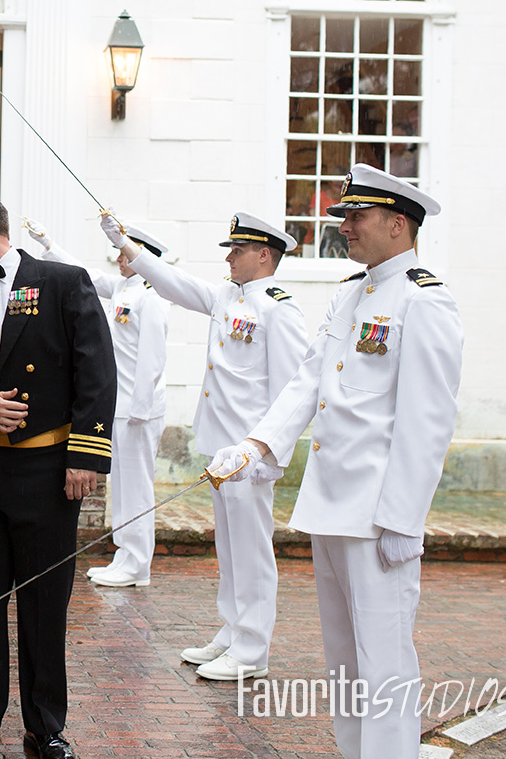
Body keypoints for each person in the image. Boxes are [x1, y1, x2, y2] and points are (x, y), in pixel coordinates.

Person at [211, 164, 462, 758]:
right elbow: (306, 382)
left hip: (377, 514)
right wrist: (256, 446)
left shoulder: (425, 300)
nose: (344, 226)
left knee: (385, 662)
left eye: (357, 216)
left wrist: (404, 519)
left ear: (398, 224)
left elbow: (428, 423)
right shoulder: (352, 292)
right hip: (330, 504)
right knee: (346, 663)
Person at [0, 192, 116, 759]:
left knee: (44, 603)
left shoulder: (64, 282)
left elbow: (96, 367)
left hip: (47, 469)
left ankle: (45, 728)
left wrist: (86, 455)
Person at [99, 209, 308, 680]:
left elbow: (293, 390)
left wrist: (269, 455)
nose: (229, 257)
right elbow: (170, 281)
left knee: (252, 549)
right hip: (223, 448)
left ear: (263, 254)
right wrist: (126, 244)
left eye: (238, 250)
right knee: (230, 548)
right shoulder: (224, 296)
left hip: (250, 454)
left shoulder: (277, 307)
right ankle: (233, 632)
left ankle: (252, 649)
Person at [27, 219, 170, 588]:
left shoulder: (152, 296)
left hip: (137, 408)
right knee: (122, 484)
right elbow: (83, 273)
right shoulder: (124, 287)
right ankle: (125, 554)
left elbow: (151, 360)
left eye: (126, 252)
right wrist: (48, 244)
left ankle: (138, 562)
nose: (119, 258)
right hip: (119, 405)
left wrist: (139, 409)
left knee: (136, 485)